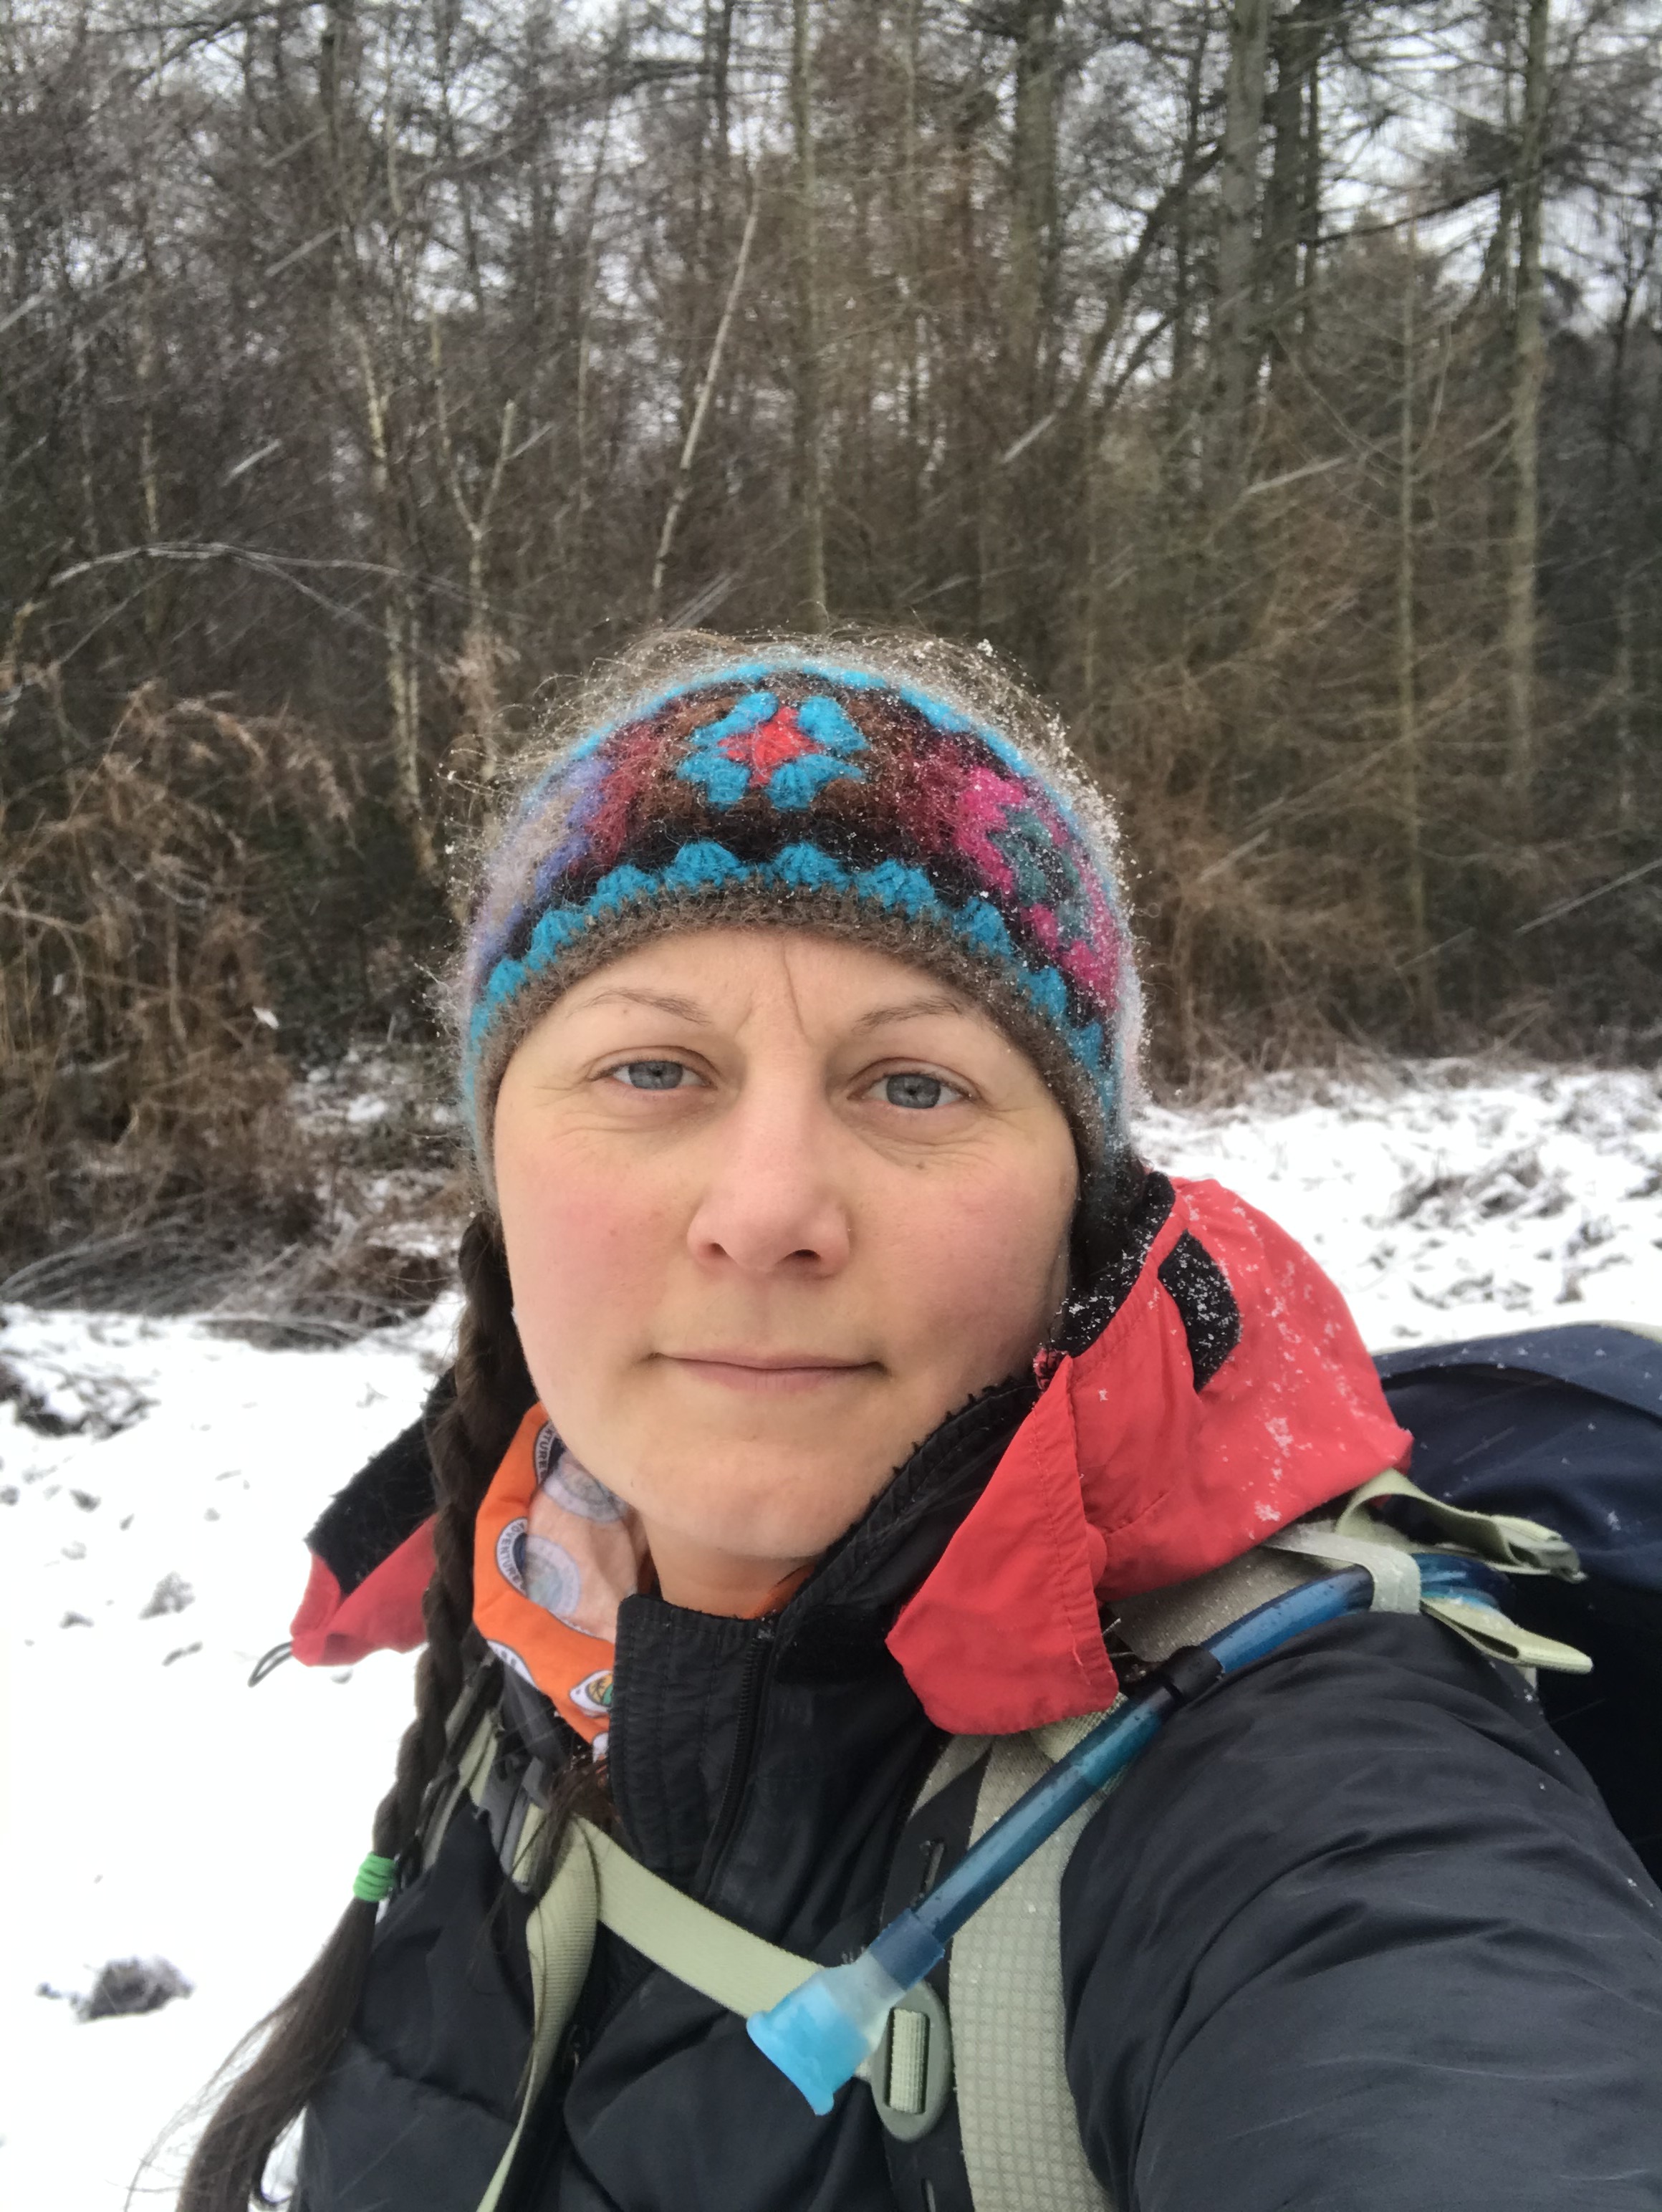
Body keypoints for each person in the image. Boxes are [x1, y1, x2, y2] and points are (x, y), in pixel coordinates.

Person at [184, 634, 1662, 2212]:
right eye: (651, 1065)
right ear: (497, 1177)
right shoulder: (526, 1637)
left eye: (911, 1086)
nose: (765, 1212)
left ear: (1073, 1215)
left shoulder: (1304, 1798)